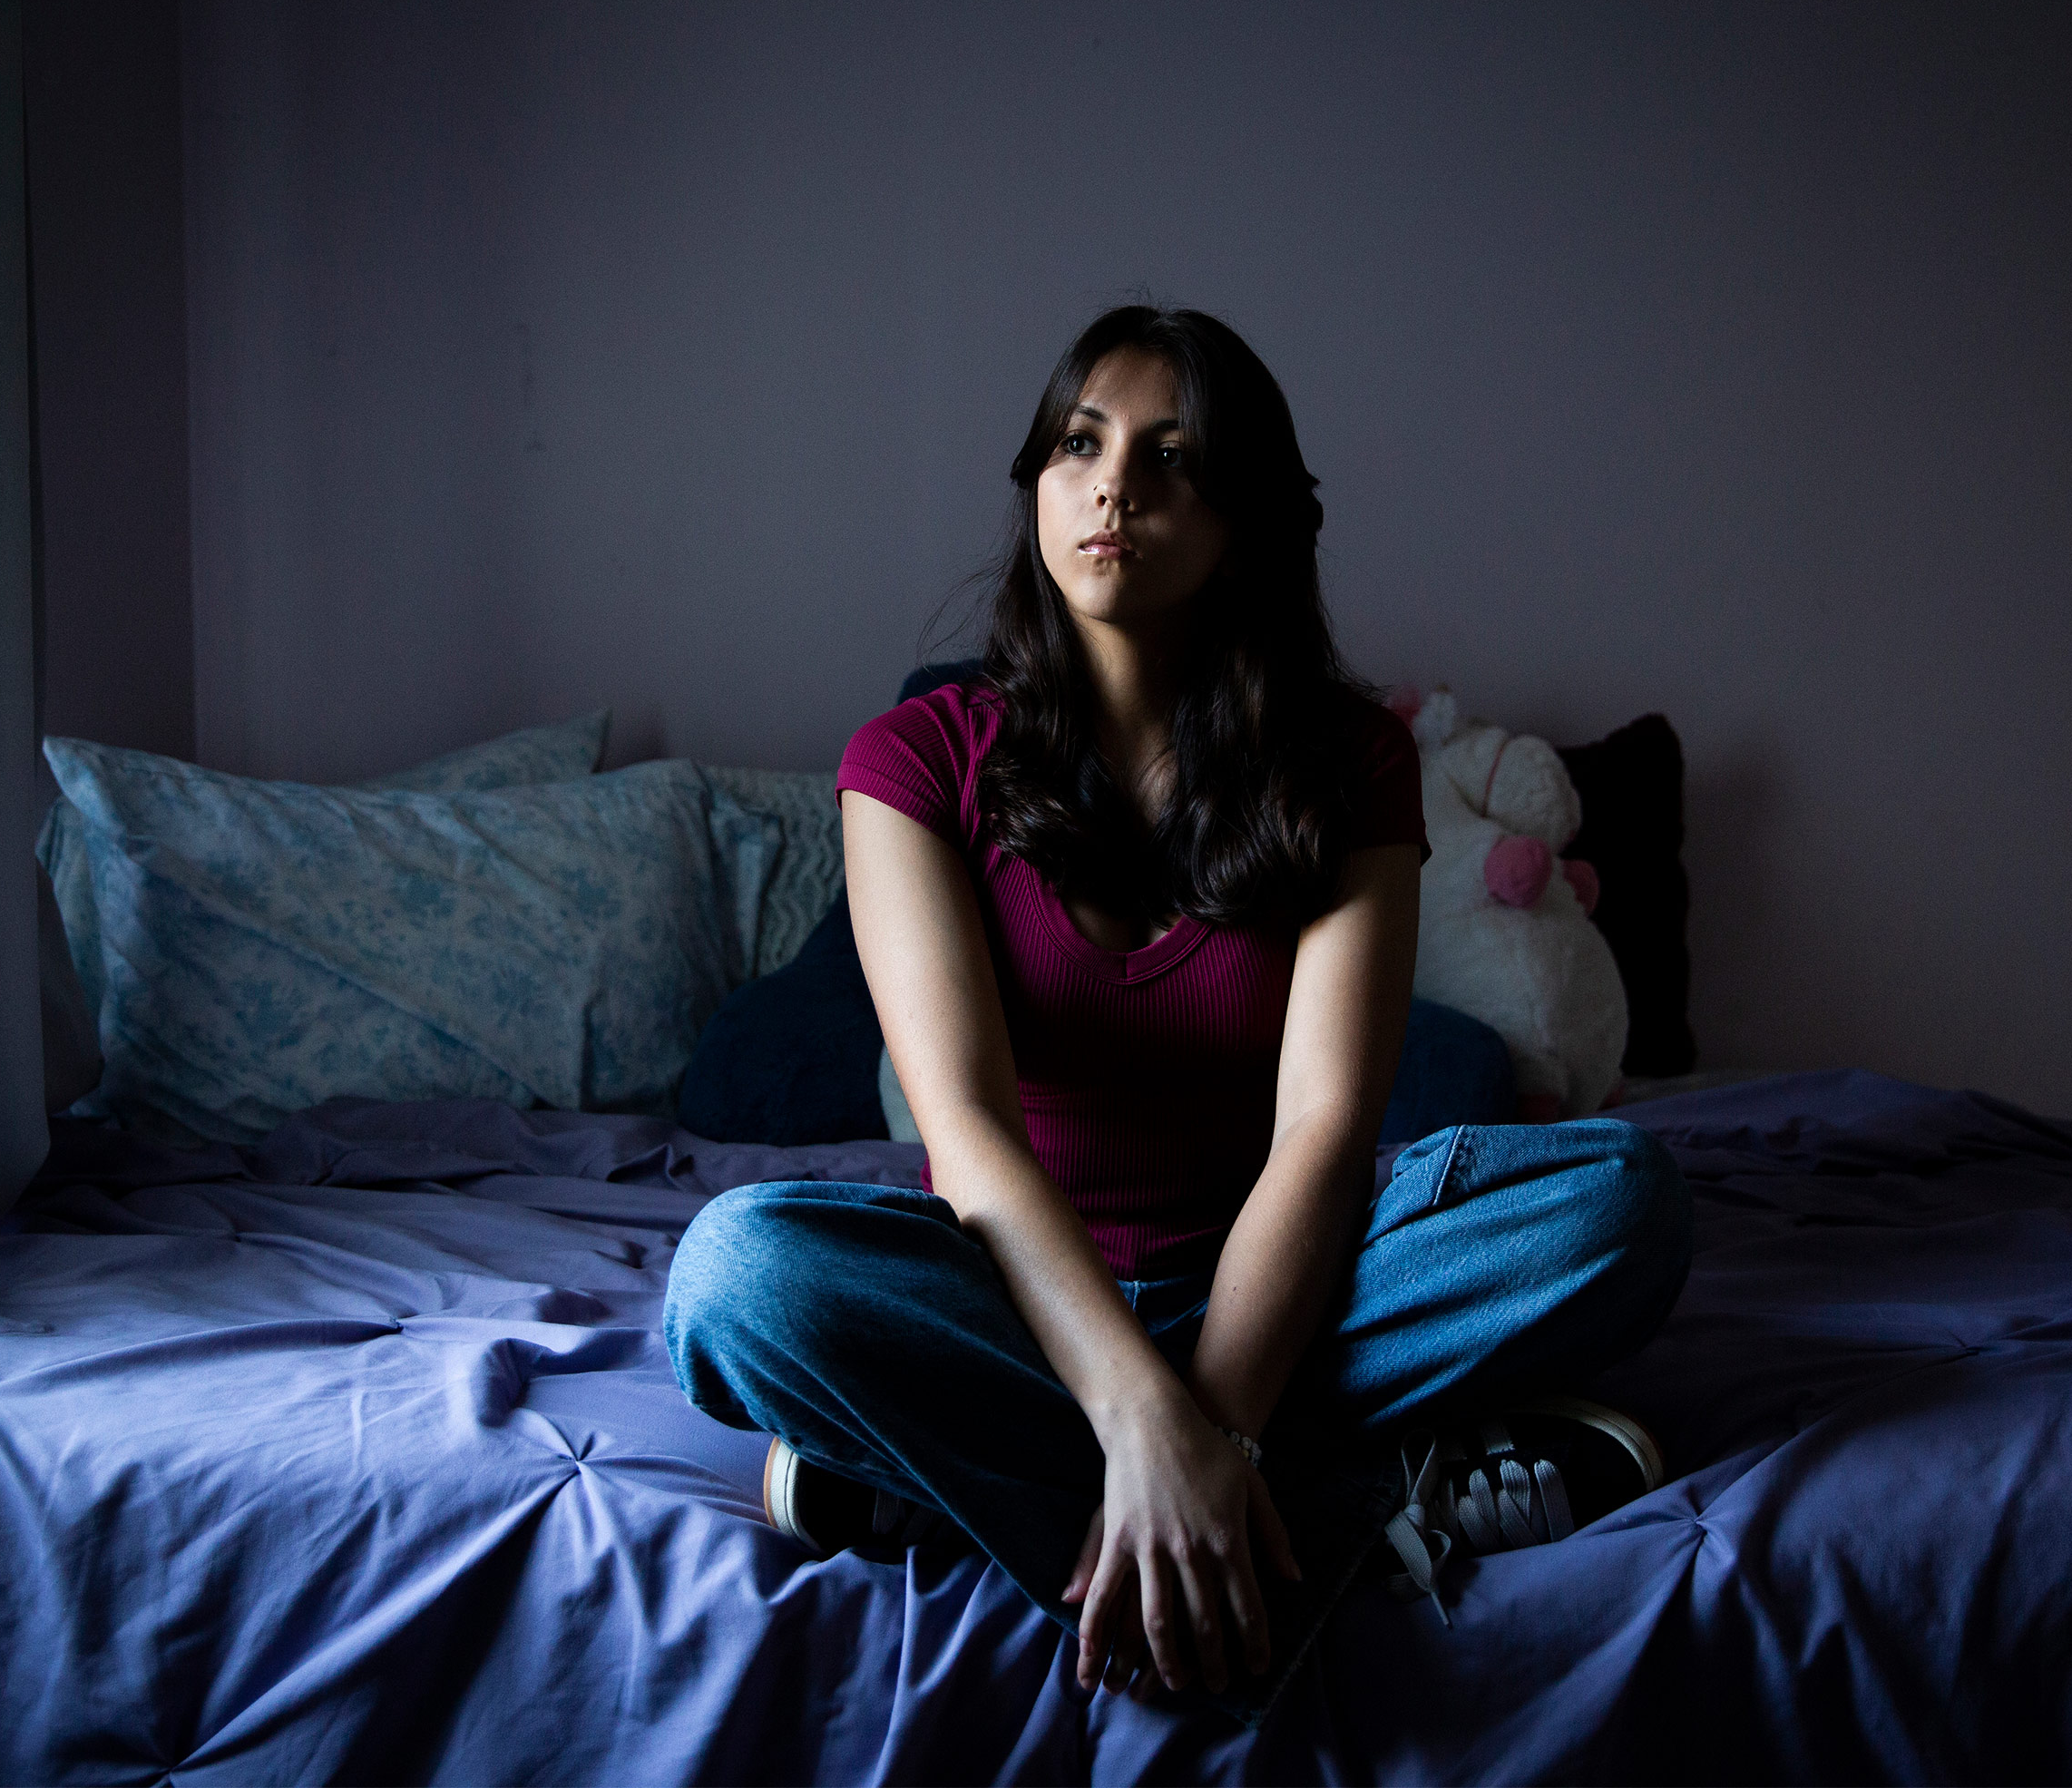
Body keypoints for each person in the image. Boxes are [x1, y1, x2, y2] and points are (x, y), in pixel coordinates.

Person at [664, 305, 1690, 1722]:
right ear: (1035, 483)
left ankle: (958, 1484)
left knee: (1620, 1201)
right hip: (1016, 1294)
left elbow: (1328, 1131)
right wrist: (1145, 1424)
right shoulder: (912, 762)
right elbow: (960, 1131)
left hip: (1292, 1285)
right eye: (1079, 444)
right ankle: (1358, 1504)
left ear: (1247, 519)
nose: (1114, 486)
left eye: (1173, 458)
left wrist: (1205, 1422)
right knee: (739, 1280)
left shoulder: (1348, 760)